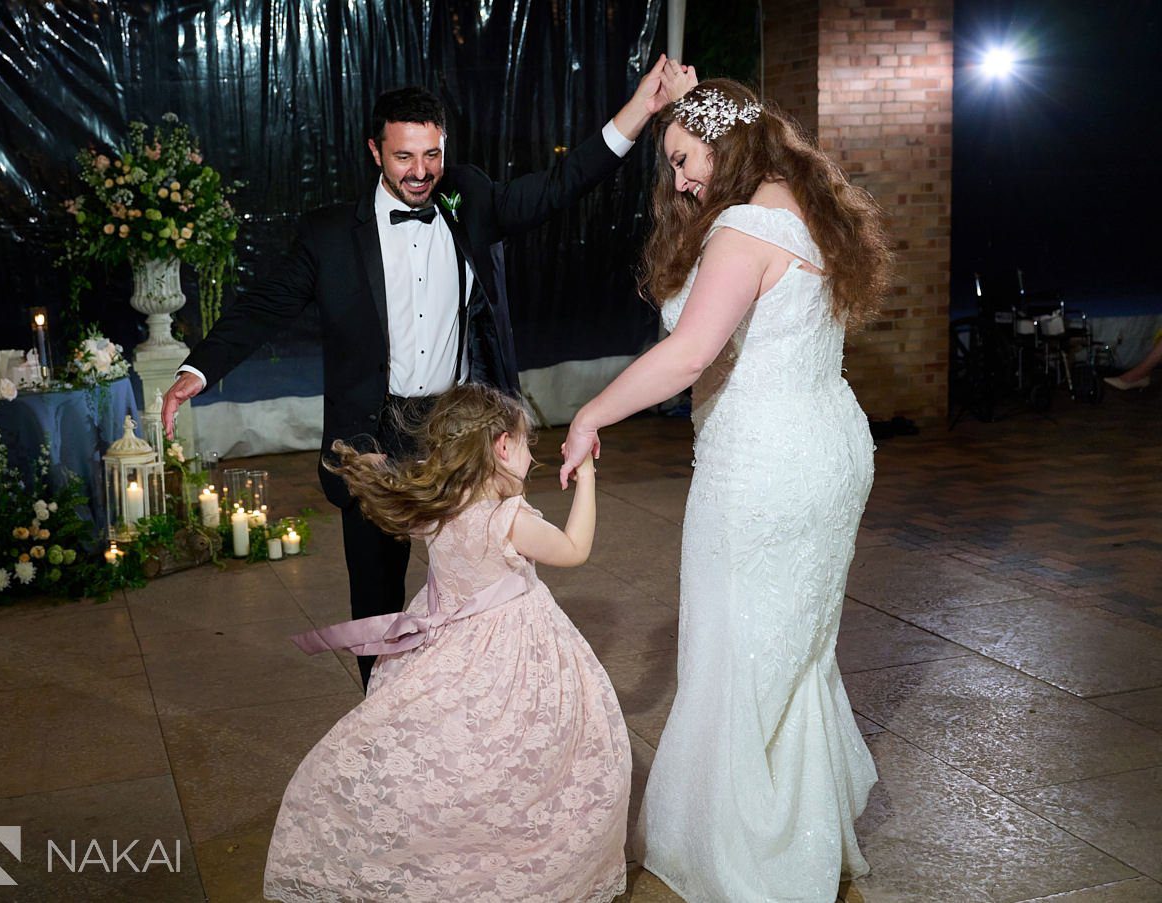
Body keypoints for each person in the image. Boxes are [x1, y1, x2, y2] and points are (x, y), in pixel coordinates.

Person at [162, 60, 675, 686]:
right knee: (377, 595)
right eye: (405, 157)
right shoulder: (330, 236)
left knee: (479, 583)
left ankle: (466, 712)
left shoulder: (469, 196)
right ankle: (382, 717)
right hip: (374, 434)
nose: (421, 171)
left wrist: (639, 111)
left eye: (432, 154)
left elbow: (559, 185)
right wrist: (199, 369)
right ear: (375, 150)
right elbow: (264, 305)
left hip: (457, 433)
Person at [560, 77, 893, 901]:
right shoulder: (812, 209)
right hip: (833, 450)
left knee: (733, 645)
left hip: (764, 466)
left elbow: (686, 356)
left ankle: (748, 850)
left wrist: (588, 415)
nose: (678, 180)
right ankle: (802, 823)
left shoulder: (743, 228)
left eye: (682, 159)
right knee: (797, 645)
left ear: (723, 145)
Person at [263, 384, 631, 902]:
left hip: (447, 646)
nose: (532, 456)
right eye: (528, 445)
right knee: (526, 744)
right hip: (511, 651)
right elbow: (573, 550)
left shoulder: (438, 507)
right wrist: (588, 476)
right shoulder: (508, 519)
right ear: (502, 447)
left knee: (456, 741)